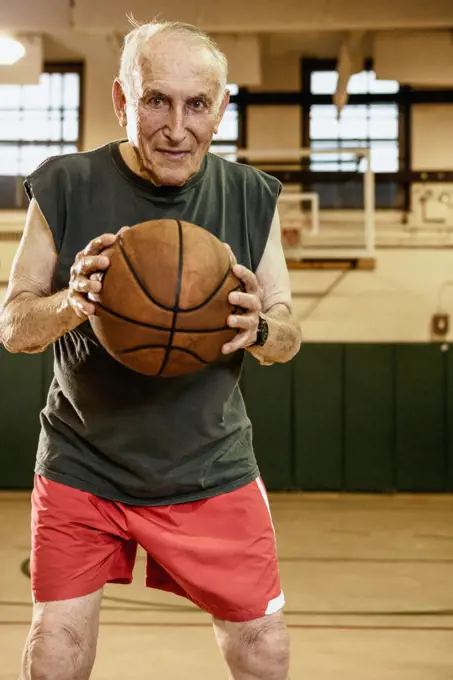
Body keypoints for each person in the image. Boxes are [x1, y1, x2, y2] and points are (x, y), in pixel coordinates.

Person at [0, 19, 301, 680]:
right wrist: (70, 302)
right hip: (85, 460)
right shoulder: (64, 184)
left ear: (220, 108)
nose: (176, 126)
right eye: (155, 100)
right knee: (55, 650)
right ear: (121, 101)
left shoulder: (250, 196)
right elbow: (14, 325)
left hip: (208, 463)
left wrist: (261, 330)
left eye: (197, 105)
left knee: (264, 649)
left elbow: (286, 334)